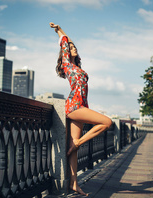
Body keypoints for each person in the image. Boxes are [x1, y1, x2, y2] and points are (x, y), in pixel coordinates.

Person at [49, 22, 112, 196]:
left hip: (81, 106)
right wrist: (60, 30)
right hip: (73, 106)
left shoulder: (78, 68)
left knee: (72, 149)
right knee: (107, 122)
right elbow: (64, 42)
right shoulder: (67, 65)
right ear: (65, 53)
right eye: (70, 47)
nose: (73, 47)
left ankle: (74, 184)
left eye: (74, 46)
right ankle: (78, 143)